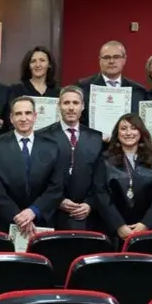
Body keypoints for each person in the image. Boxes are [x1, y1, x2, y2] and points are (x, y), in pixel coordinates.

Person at [0, 97, 63, 235]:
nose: (23, 118)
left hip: (41, 221)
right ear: (11, 118)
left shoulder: (52, 147)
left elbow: (56, 187)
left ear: (35, 116)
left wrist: (34, 211)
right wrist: (19, 217)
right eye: (18, 114)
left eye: (27, 113)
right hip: (6, 222)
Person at [37, 86, 105, 230]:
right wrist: (57, 200)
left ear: (83, 106)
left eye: (75, 103)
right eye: (66, 103)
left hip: (87, 215)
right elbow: (37, 177)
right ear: (59, 106)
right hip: (52, 214)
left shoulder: (96, 138)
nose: (71, 108)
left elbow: (100, 178)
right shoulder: (43, 137)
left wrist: (90, 203)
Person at [94, 114, 152, 242]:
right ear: (117, 133)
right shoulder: (105, 160)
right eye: (123, 128)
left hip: (149, 230)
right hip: (114, 231)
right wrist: (119, 225)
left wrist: (146, 224)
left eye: (134, 128)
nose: (128, 133)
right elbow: (101, 194)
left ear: (141, 132)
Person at [78, 41, 147, 131]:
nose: (111, 61)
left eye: (116, 57)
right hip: (94, 142)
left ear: (124, 59)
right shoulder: (82, 87)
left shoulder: (138, 91)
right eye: (106, 57)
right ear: (100, 60)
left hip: (127, 142)